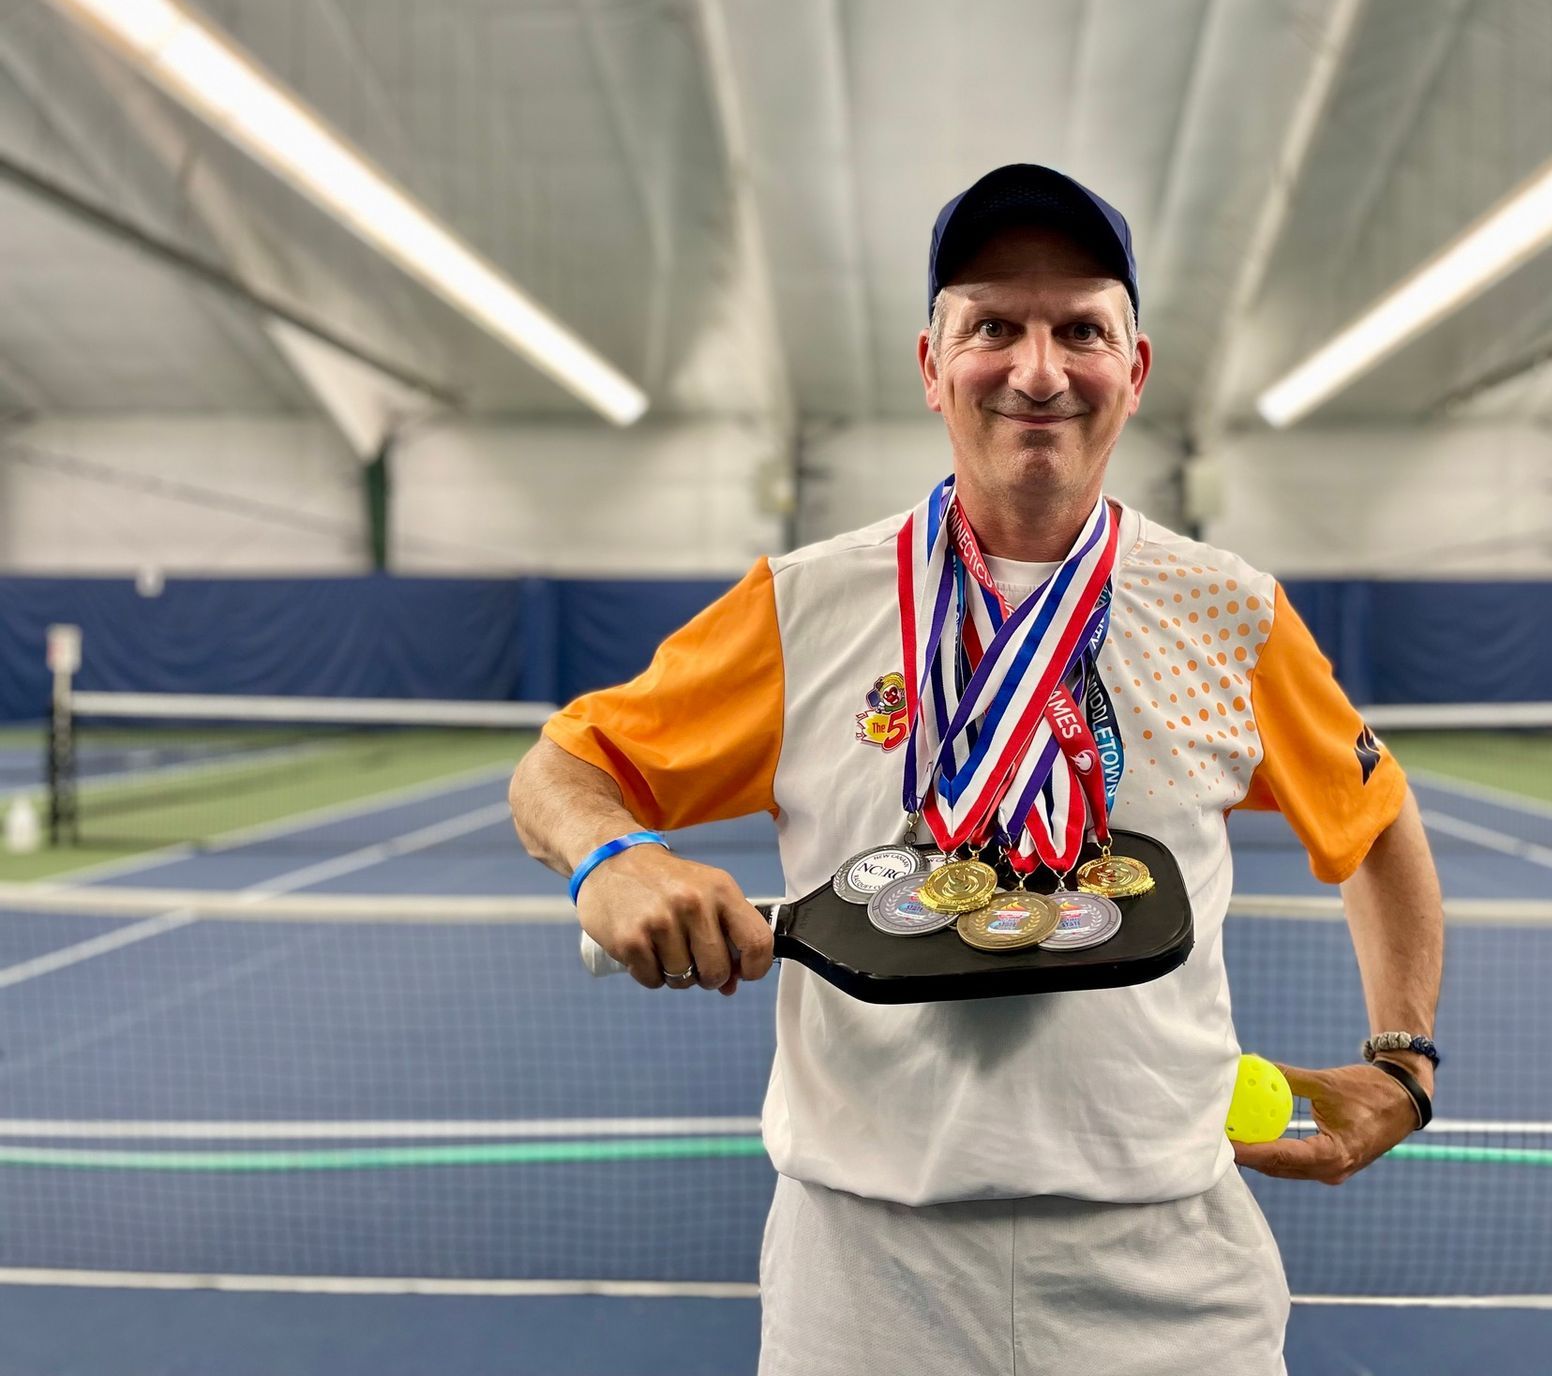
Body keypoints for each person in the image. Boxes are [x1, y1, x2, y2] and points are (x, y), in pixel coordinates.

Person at [509, 163, 1445, 1375]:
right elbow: (561, 766)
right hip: (866, 1280)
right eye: (994, 326)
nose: (1040, 369)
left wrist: (1403, 1065)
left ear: (1135, 367)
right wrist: (613, 857)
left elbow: (1375, 823)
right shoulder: (806, 607)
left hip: (1168, 1274)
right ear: (932, 365)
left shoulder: (1232, 613)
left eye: (1081, 331)